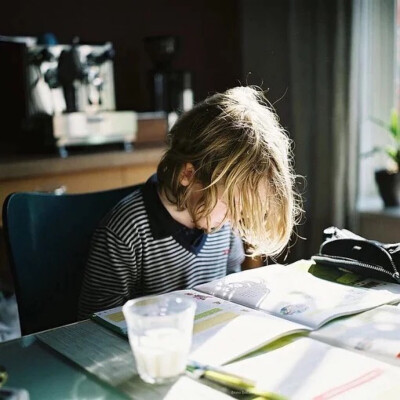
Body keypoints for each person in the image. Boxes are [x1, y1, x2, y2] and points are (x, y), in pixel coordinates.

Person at [78, 86, 302, 318]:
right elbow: (92, 325)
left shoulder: (222, 225)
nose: (234, 220)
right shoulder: (126, 232)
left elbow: (228, 293)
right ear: (188, 175)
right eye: (231, 205)